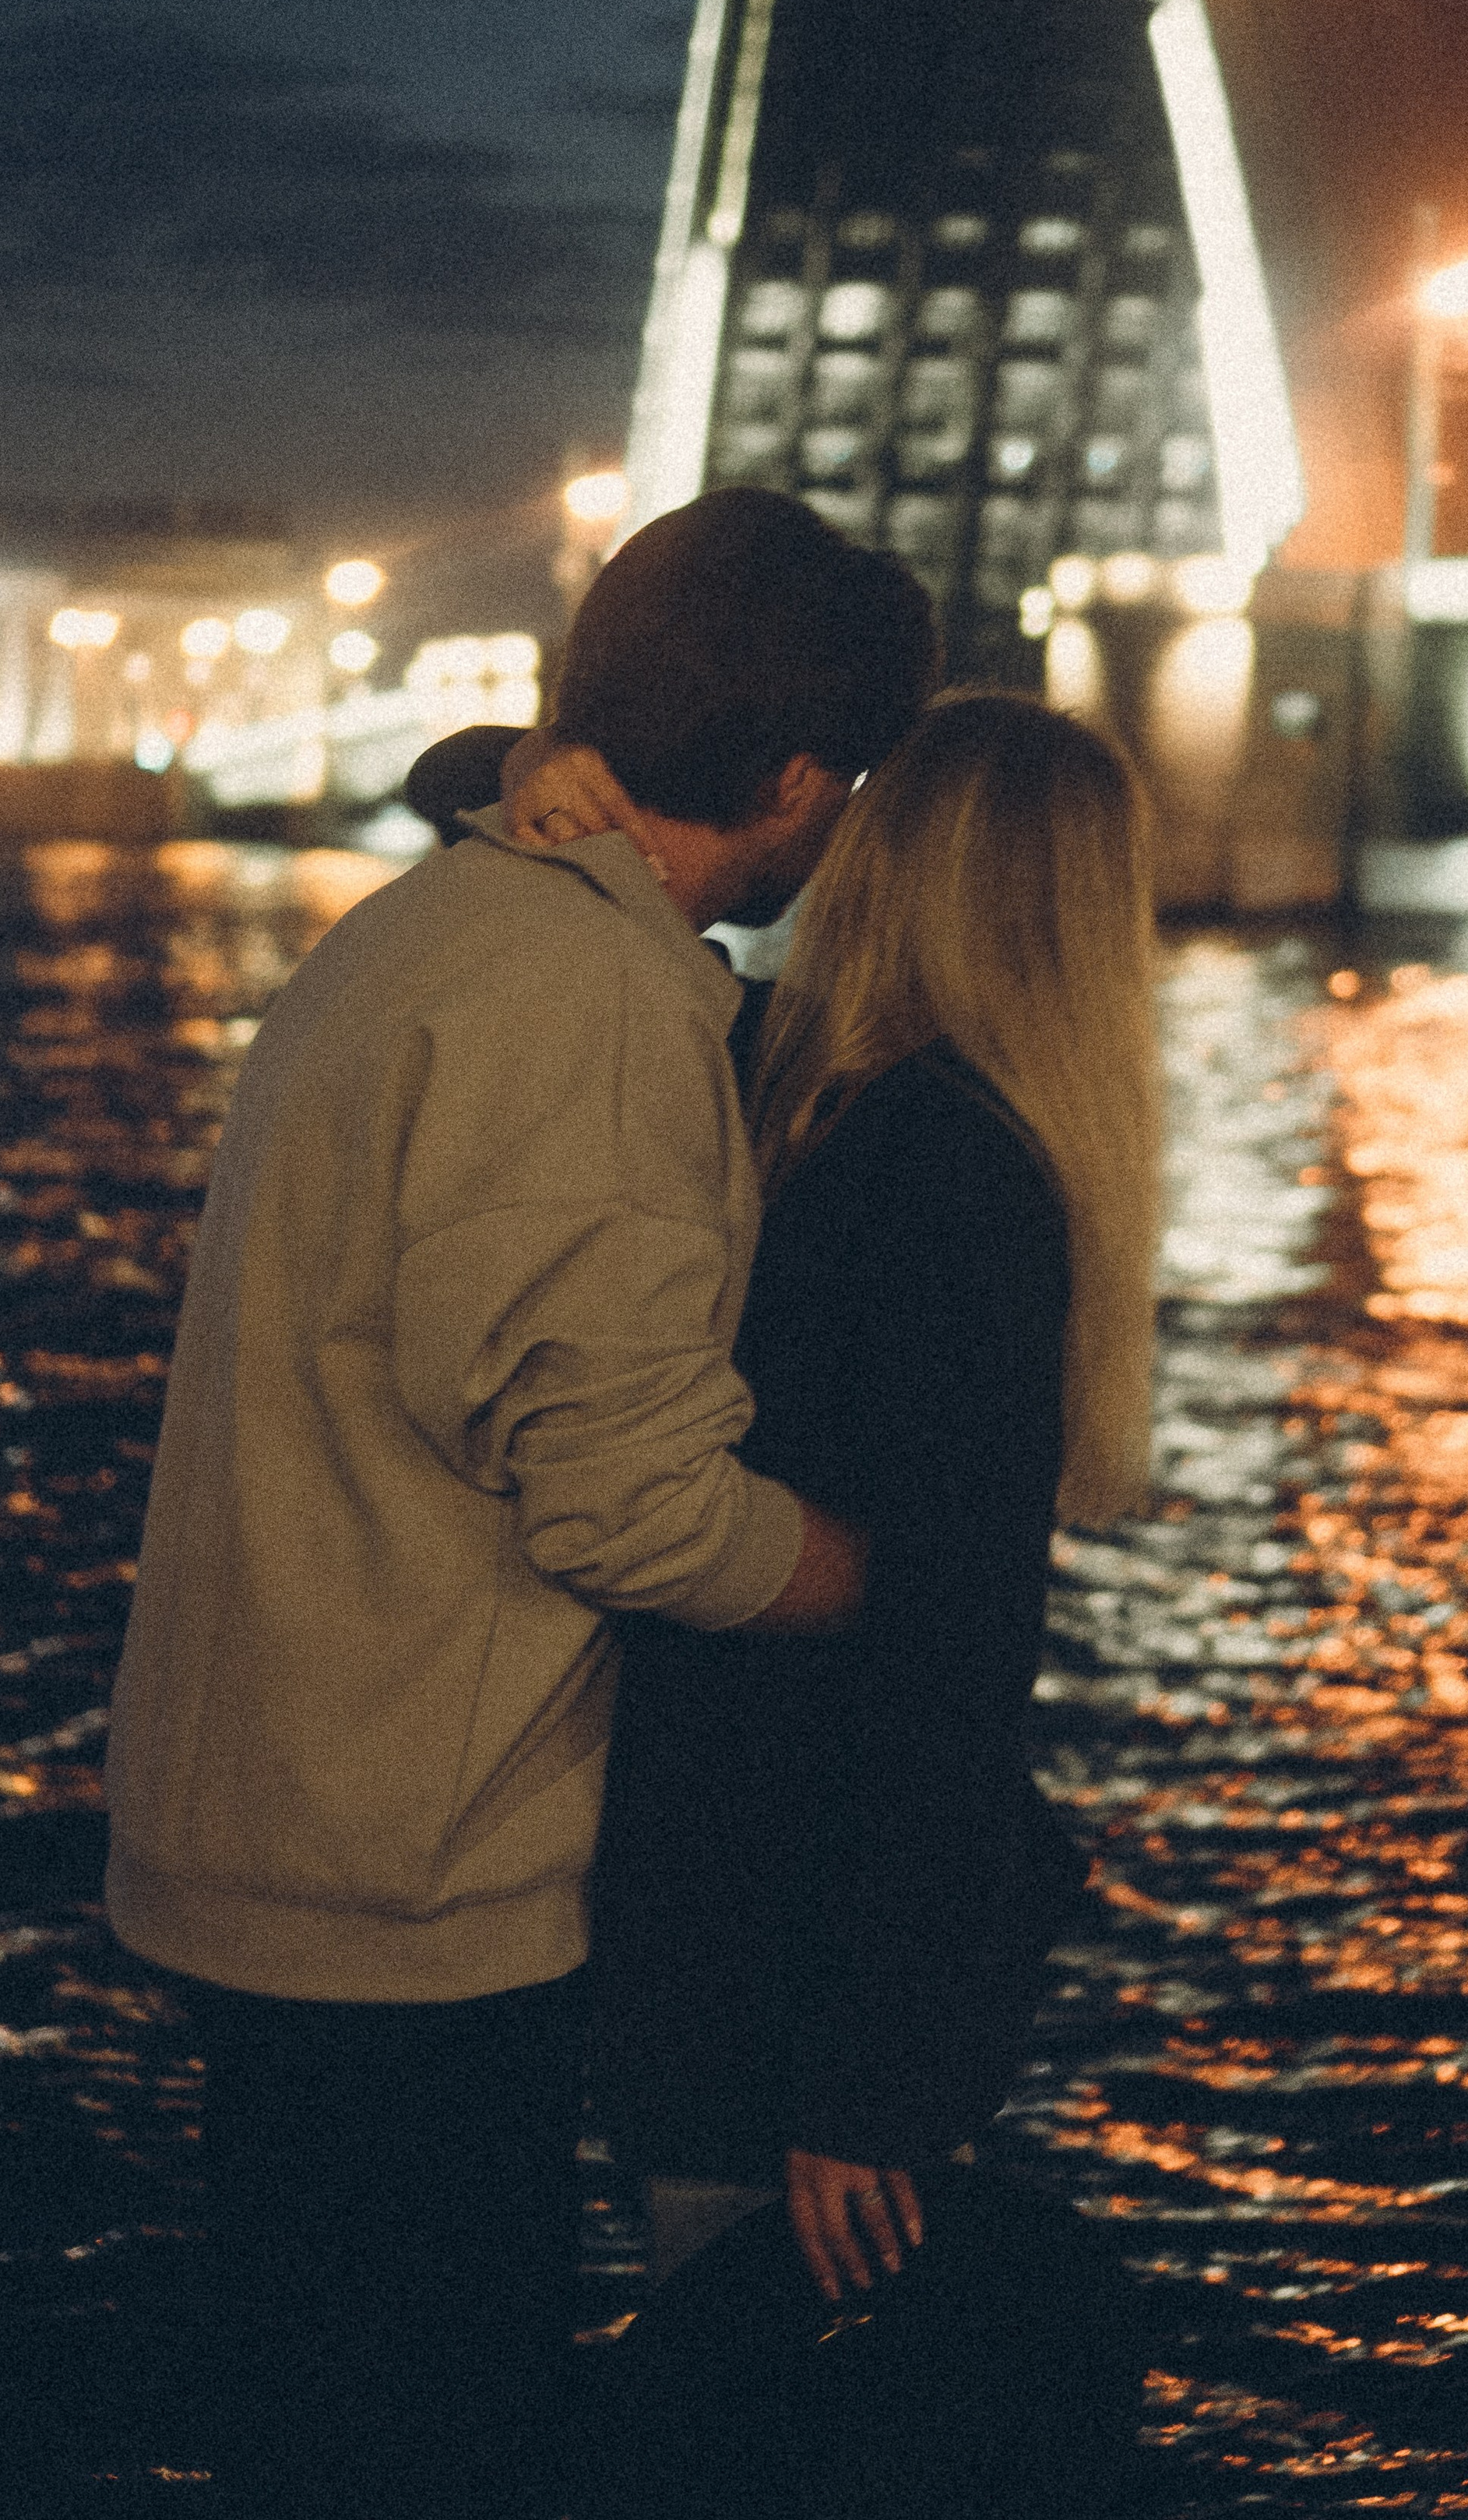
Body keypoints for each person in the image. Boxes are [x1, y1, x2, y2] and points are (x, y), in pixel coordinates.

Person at [102, 485, 937, 2520]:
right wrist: (873, 1580)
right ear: (805, 779)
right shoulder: (592, 1004)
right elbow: (625, 1505)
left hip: (274, 1831)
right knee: (436, 2441)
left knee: (313, 2429)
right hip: (416, 1895)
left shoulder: (440, 927)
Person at [562, 689, 1160, 2316]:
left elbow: (933, 1652)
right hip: (799, 1946)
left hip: (710, 1910)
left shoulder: (793, 1106)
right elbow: (950, 1669)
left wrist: (533, 775)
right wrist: (874, 2077)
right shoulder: (969, 1171)